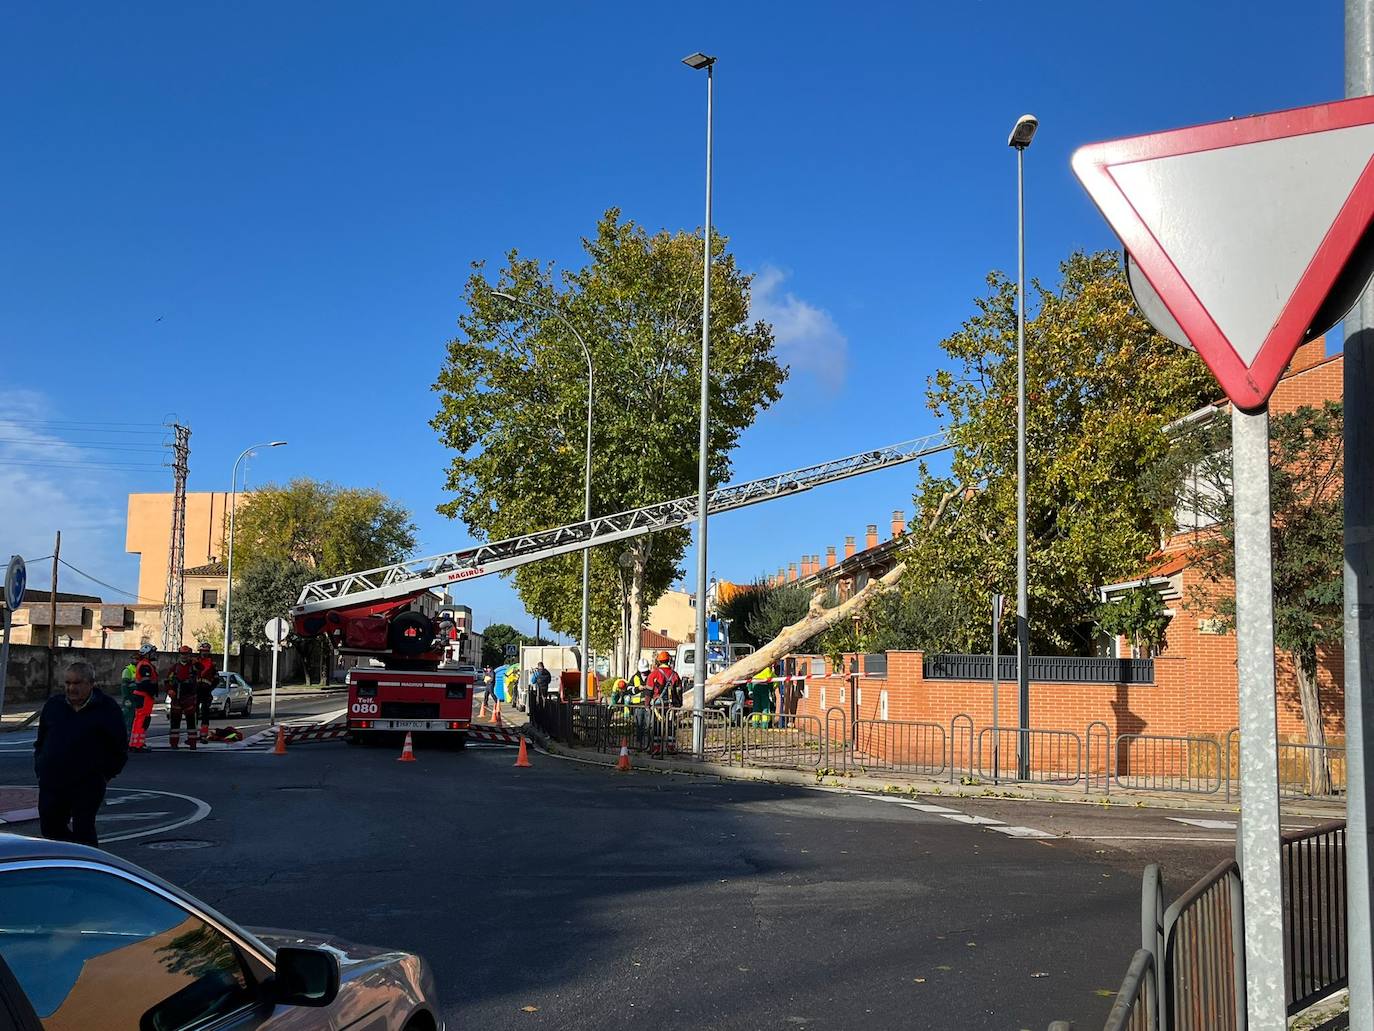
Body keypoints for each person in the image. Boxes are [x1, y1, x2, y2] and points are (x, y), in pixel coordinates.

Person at [33, 660, 128, 846]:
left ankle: (88, 864)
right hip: (52, 781)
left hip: (87, 784)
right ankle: (68, 859)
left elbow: (119, 748)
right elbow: (41, 741)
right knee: (50, 828)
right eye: (67, 683)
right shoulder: (54, 706)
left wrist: (103, 775)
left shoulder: (107, 709)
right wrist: (41, 766)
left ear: (90, 684)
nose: (71, 688)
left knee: (84, 830)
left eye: (77, 683)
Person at [165, 646, 200, 750]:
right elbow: (167, 680)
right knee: (175, 721)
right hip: (176, 698)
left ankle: (192, 743)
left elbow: (202, 669)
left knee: (191, 721)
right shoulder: (175, 667)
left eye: (186, 654)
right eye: (182, 654)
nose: (184, 656)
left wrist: (196, 663)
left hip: (189, 697)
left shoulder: (193, 666)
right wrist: (169, 690)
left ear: (189, 655)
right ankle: (174, 743)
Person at [128, 643, 160, 752]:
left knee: (139, 719)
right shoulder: (145, 665)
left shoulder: (144, 664)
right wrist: (152, 692)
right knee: (142, 720)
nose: (154, 654)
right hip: (144, 695)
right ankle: (138, 745)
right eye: (152, 653)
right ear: (147, 654)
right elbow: (146, 683)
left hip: (142, 695)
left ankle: (135, 743)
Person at [193, 641, 217, 741]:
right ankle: (193, 734)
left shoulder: (212, 663)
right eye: (202, 651)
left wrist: (211, 687)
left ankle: (203, 735)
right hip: (195, 690)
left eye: (206, 651)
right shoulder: (195, 662)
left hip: (206, 690)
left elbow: (216, 678)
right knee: (194, 712)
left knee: (205, 712)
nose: (204, 653)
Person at [118, 654, 138, 741]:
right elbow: (124, 685)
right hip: (130, 698)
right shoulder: (128, 670)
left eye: (137, 659)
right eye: (134, 659)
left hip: (136, 698)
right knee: (128, 719)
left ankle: (131, 740)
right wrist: (126, 698)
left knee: (134, 720)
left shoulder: (139, 669)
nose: (136, 661)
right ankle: (125, 739)